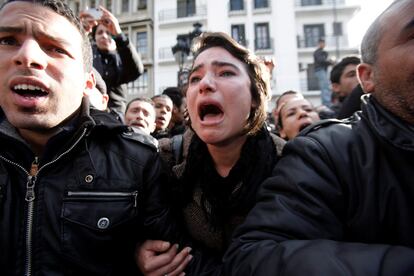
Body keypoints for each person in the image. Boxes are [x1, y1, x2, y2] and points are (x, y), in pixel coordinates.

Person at [222, 0, 414, 274]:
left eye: (307, 109)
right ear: (367, 77)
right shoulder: (322, 153)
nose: (303, 115)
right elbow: (255, 257)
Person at [0, 1, 182, 274]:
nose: (27, 55)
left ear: (88, 83)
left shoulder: (138, 161)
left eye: (55, 48)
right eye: (7, 40)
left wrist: (131, 259)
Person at [136, 32, 285, 275]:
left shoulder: (290, 163)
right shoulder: (164, 159)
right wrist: (136, 253)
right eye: (195, 78)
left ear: (256, 98)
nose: (204, 84)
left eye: (225, 72)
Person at [85, 6, 144, 113]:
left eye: (109, 33)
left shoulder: (123, 56)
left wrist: (119, 34)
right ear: (94, 38)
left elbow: (137, 70)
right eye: (100, 32)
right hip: (92, 109)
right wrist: (81, 31)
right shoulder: (88, 55)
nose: (104, 36)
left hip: (117, 112)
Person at [313, 38, 334, 107]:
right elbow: (321, 61)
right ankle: (326, 103)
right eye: (321, 43)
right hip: (320, 70)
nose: (323, 44)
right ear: (319, 44)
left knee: (326, 86)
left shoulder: (323, 52)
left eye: (323, 43)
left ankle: (327, 102)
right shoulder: (318, 52)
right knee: (325, 86)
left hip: (322, 70)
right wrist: (330, 62)